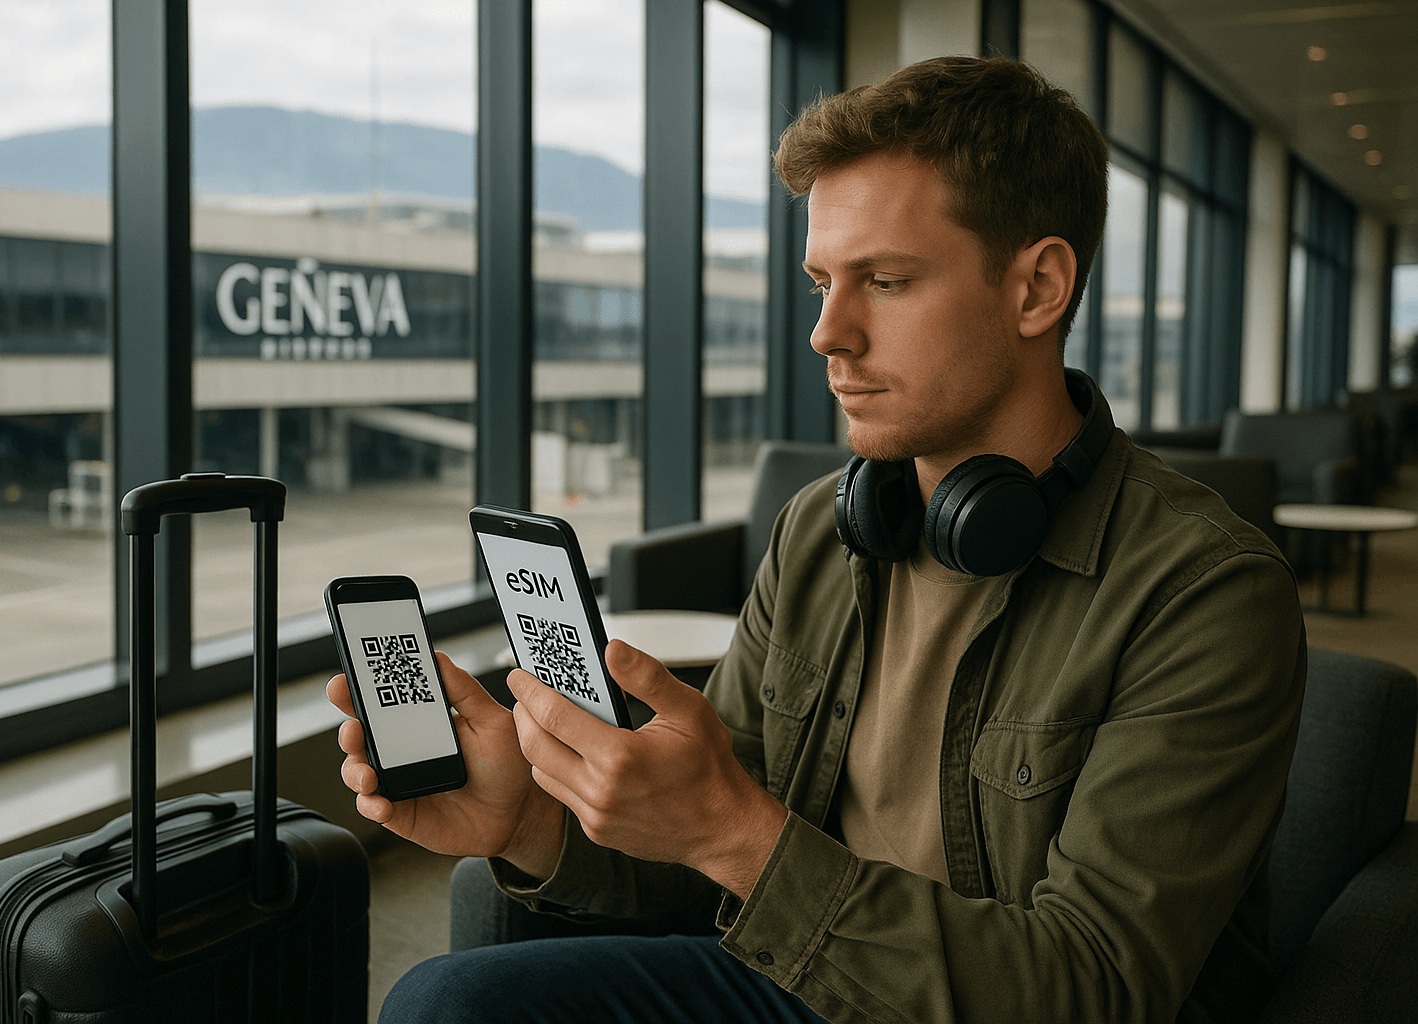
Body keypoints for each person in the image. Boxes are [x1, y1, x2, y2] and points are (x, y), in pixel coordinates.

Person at [327, 56, 1305, 1023]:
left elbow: (1093, 988)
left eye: (884, 280)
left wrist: (735, 832)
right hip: (805, 975)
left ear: (1037, 287)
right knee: (445, 999)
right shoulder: (823, 532)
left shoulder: (1204, 590)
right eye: (820, 283)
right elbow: (705, 850)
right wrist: (531, 822)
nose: (827, 334)